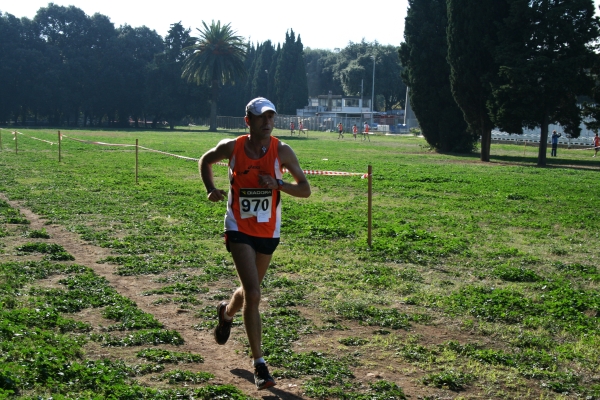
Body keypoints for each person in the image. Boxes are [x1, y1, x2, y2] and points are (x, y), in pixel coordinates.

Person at [199, 97, 311, 390]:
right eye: (261, 117)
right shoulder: (232, 147)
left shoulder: (282, 150)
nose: (267, 122)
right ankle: (260, 364)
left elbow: (305, 189)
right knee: (254, 292)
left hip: (268, 231)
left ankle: (225, 314)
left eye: (271, 117)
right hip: (238, 226)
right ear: (247, 120)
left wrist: (279, 185)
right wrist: (211, 188)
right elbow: (205, 160)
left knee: (249, 293)